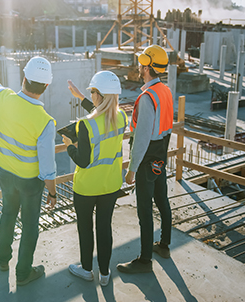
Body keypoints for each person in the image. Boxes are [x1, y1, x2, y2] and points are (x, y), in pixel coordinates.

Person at [0, 54, 57, 286]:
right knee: (30, 224)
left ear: (24, 78)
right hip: (30, 182)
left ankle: (2, 260)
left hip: (5, 174)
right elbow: (48, 167)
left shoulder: (4, 98)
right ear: (46, 86)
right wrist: (52, 192)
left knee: (8, 215)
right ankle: (23, 273)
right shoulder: (45, 121)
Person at [61, 71, 127, 286]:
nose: (92, 95)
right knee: (104, 227)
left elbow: (83, 161)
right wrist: (81, 97)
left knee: (85, 228)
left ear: (98, 95)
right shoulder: (121, 117)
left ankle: (87, 269)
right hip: (110, 185)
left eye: (92, 92)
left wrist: (69, 147)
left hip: (86, 188)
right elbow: (103, 114)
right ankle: (105, 274)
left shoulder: (85, 125)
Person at [116, 45, 173, 274]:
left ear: (147, 67)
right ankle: (164, 245)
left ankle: (145, 260)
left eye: (142, 63)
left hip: (148, 157)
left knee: (144, 210)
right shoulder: (165, 91)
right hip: (161, 155)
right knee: (162, 200)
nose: (139, 67)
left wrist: (132, 169)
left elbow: (141, 139)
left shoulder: (147, 98)